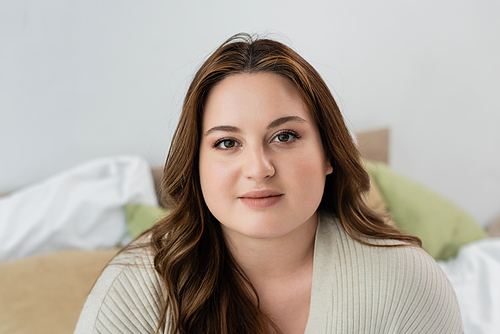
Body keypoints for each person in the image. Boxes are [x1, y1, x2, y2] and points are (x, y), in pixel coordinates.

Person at [74, 33, 463, 334]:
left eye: (285, 137)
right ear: (195, 164)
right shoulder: (134, 290)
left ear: (329, 153)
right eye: (227, 143)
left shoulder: (406, 279)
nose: (258, 168)